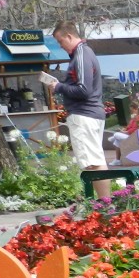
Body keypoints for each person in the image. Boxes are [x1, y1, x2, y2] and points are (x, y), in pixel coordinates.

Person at [48, 21, 109, 197]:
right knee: (95, 160)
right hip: (91, 113)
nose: (61, 46)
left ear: (69, 36)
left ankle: (104, 205)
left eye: (61, 42)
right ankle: (104, 203)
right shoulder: (83, 54)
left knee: (93, 162)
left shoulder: (81, 54)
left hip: (84, 114)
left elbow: (83, 90)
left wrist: (59, 87)